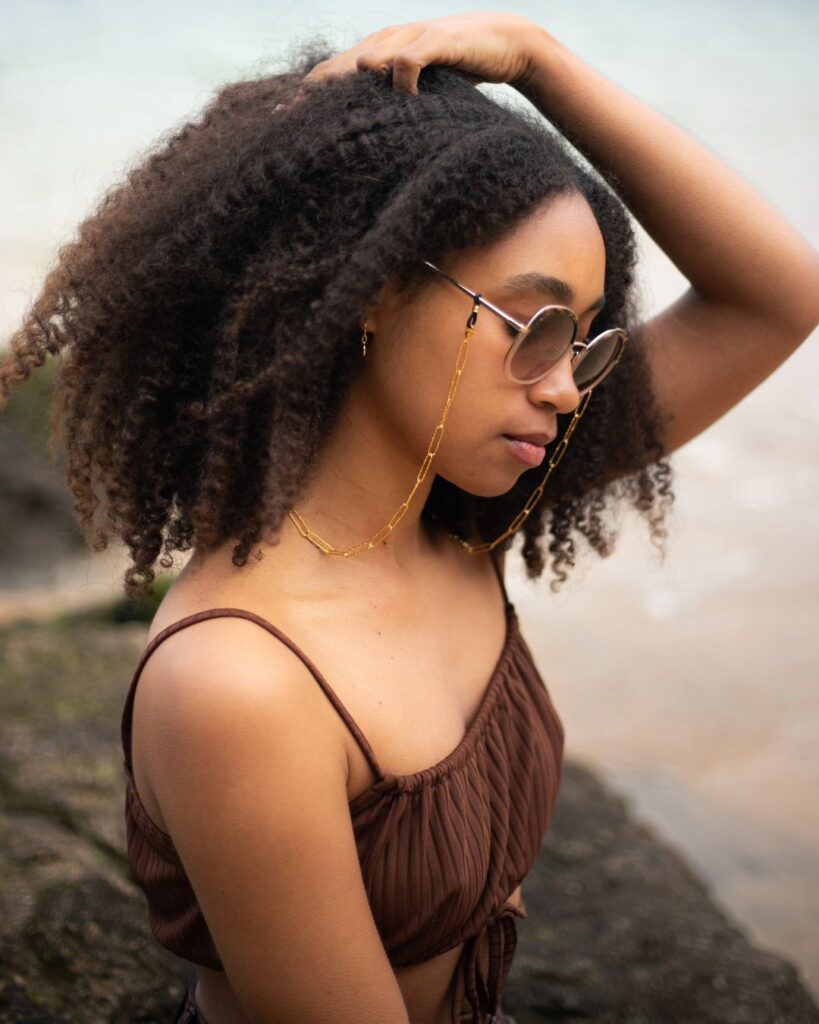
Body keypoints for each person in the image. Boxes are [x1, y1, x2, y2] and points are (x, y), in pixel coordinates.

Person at [2, 11, 817, 1024]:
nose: (565, 388)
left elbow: (776, 297)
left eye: (587, 341)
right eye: (537, 326)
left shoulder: (459, 509)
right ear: (378, 294)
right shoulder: (241, 683)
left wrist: (540, 61)